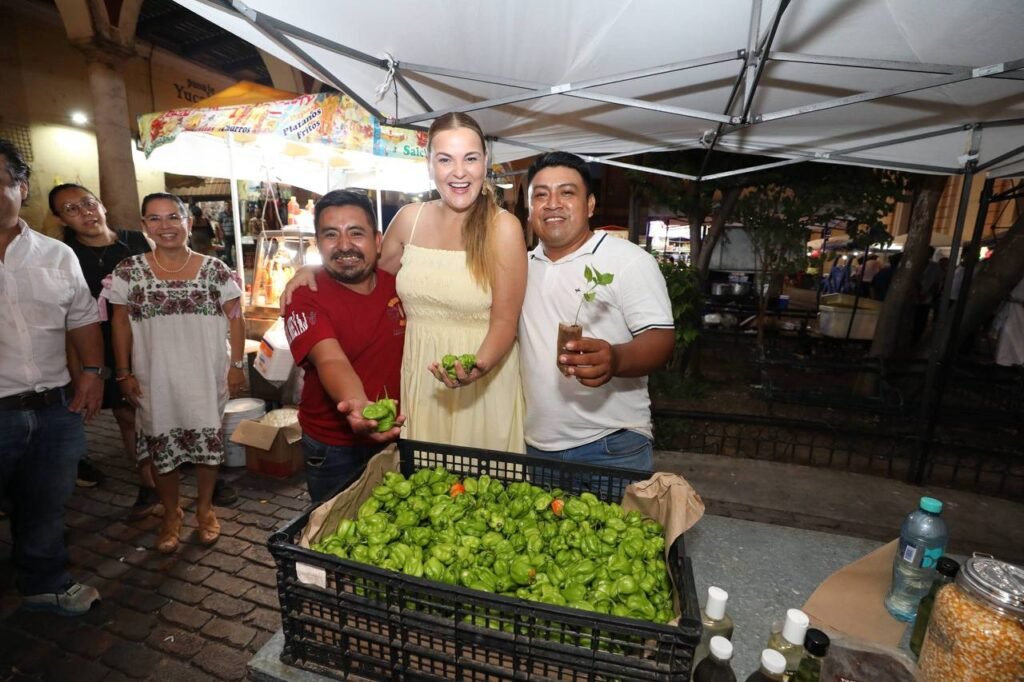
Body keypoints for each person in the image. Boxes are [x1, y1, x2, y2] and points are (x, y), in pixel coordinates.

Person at [284, 113, 527, 452]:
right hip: (421, 382)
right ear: (430, 166)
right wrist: (314, 270)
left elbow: (505, 322)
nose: (459, 172)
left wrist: (477, 367)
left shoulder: (504, 228)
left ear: (485, 163)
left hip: (482, 380)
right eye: (445, 160)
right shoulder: (409, 220)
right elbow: (364, 269)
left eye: (470, 158)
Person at [519, 152, 675, 472]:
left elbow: (660, 339)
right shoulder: (520, 267)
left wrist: (615, 359)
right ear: (530, 208)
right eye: (541, 195)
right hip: (535, 447)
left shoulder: (628, 260)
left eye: (567, 192)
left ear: (589, 205)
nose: (552, 204)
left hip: (611, 445)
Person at [108, 192, 245, 553]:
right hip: (154, 378)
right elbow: (119, 323)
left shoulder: (215, 270)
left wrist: (236, 366)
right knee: (161, 447)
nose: (165, 225)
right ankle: (171, 513)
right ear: (144, 225)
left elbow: (236, 318)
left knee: (206, 448)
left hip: (206, 376)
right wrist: (122, 372)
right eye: (154, 218)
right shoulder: (128, 271)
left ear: (189, 221)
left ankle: (204, 509)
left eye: (173, 216)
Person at [0, 138, 103, 615]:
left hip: (54, 407)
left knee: (45, 503)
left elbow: (81, 318)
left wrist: (92, 374)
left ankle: (44, 583)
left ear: (21, 187)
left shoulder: (57, 255)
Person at [283, 190, 406, 502]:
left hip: (397, 435)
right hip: (334, 448)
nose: (344, 245)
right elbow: (331, 360)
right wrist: (358, 405)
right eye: (331, 235)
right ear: (318, 243)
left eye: (356, 233)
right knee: (334, 527)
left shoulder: (400, 286)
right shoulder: (303, 295)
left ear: (378, 241)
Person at [50, 183, 157, 511]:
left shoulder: (139, 242)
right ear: (61, 219)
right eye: (71, 209)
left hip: (151, 337)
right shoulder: (63, 256)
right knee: (126, 414)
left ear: (102, 205)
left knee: (164, 408)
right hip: (101, 343)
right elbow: (67, 317)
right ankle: (149, 484)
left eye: (88, 203)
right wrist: (80, 368)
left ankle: (192, 468)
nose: (85, 213)